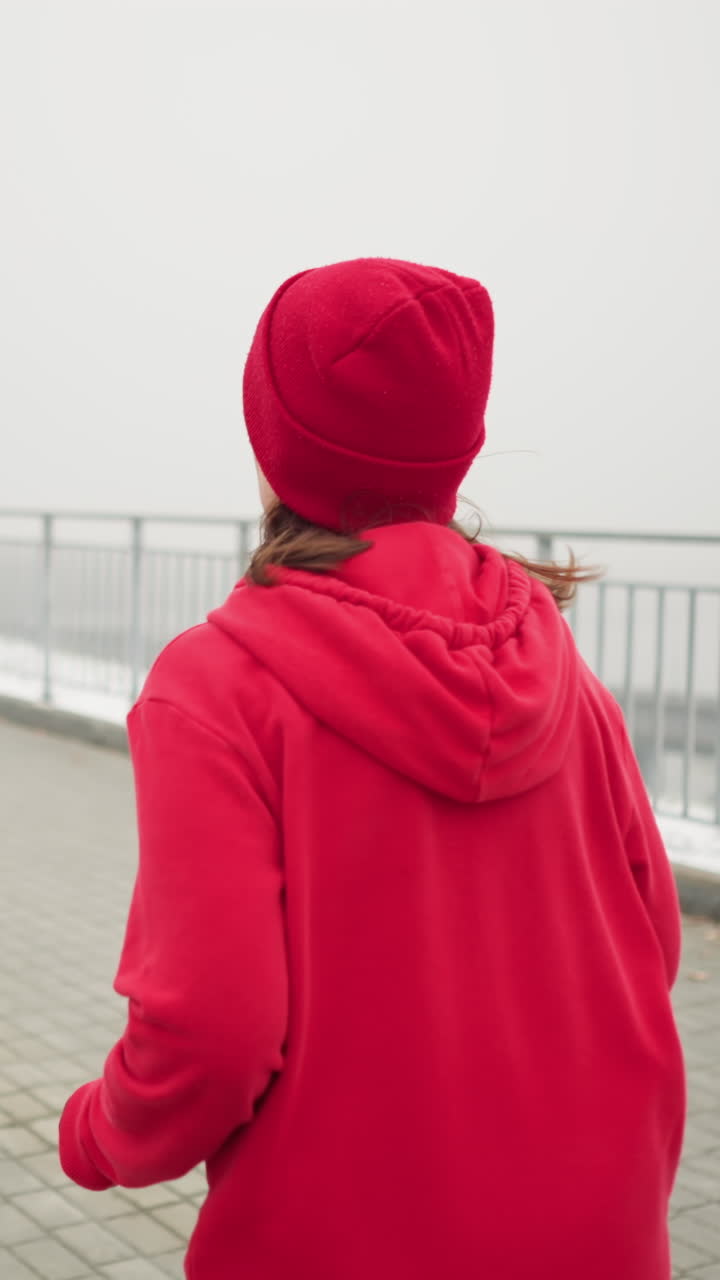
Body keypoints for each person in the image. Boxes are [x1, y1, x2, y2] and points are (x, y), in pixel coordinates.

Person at [59, 257, 686, 1280]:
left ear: (274, 444)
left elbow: (211, 1033)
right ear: (456, 443)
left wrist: (96, 1131)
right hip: (602, 1231)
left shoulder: (216, 684)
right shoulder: (560, 667)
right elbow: (647, 945)